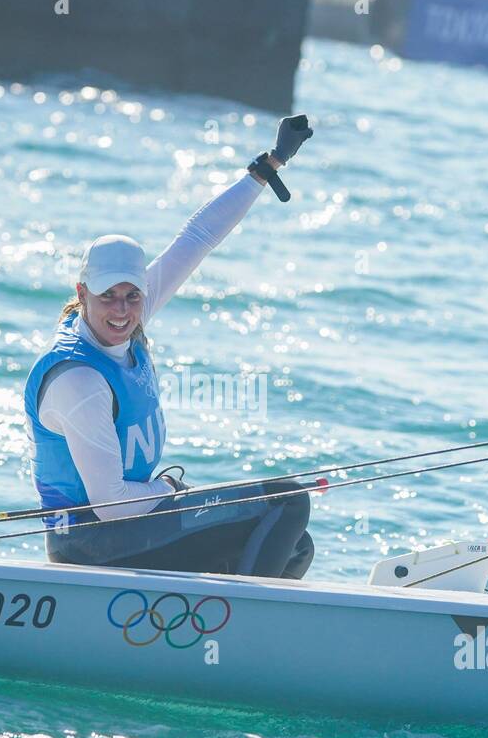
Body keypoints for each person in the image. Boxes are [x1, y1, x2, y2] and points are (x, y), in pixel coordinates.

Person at [23, 115, 316, 579]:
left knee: (294, 542)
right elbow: (111, 505)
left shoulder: (131, 319)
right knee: (286, 501)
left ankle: (209, 633)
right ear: (82, 295)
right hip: (92, 545)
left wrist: (269, 165)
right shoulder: (79, 379)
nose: (121, 310)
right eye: (107, 298)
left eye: (132, 295)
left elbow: (197, 238)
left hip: (136, 530)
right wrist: (170, 488)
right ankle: (241, 621)